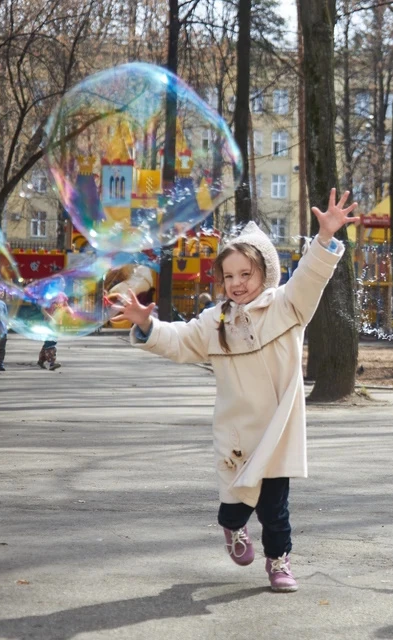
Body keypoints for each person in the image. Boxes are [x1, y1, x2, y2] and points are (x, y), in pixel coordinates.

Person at [110, 188, 357, 593]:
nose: (237, 283)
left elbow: (312, 275)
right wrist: (146, 324)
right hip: (236, 434)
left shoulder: (288, 307)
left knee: (276, 511)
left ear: (267, 274)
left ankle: (278, 563)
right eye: (229, 276)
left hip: (276, 434)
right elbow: (178, 340)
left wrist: (325, 237)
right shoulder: (214, 321)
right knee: (235, 505)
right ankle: (233, 528)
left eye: (246, 274)